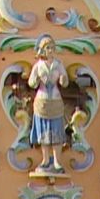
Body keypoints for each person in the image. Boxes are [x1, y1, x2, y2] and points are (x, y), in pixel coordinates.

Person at [27, 34, 69, 174]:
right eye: (47, 48)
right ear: (42, 50)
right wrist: (36, 80)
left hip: (56, 100)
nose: (50, 50)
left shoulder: (58, 64)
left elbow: (65, 81)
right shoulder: (38, 66)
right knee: (43, 132)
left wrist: (63, 79)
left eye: (52, 47)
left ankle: (57, 160)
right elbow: (31, 83)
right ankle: (45, 159)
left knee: (56, 130)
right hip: (42, 101)